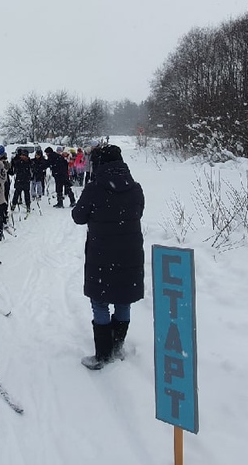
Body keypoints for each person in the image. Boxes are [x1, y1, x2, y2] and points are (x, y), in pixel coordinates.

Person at [71, 145, 145, 370]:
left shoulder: (94, 188)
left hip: (102, 254)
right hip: (130, 253)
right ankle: (116, 346)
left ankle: (103, 355)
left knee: (100, 301)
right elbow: (138, 212)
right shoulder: (135, 188)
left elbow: (78, 216)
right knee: (123, 299)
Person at [8, 148, 33, 213]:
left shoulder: (30, 162)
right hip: (19, 180)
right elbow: (13, 170)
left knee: (27, 194)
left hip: (26, 180)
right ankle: (13, 205)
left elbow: (33, 170)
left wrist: (31, 176)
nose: (22, 156)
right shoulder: (18, 162)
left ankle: (28, 206)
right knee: (16, 194)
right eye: (21, 155)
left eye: (23, 155)